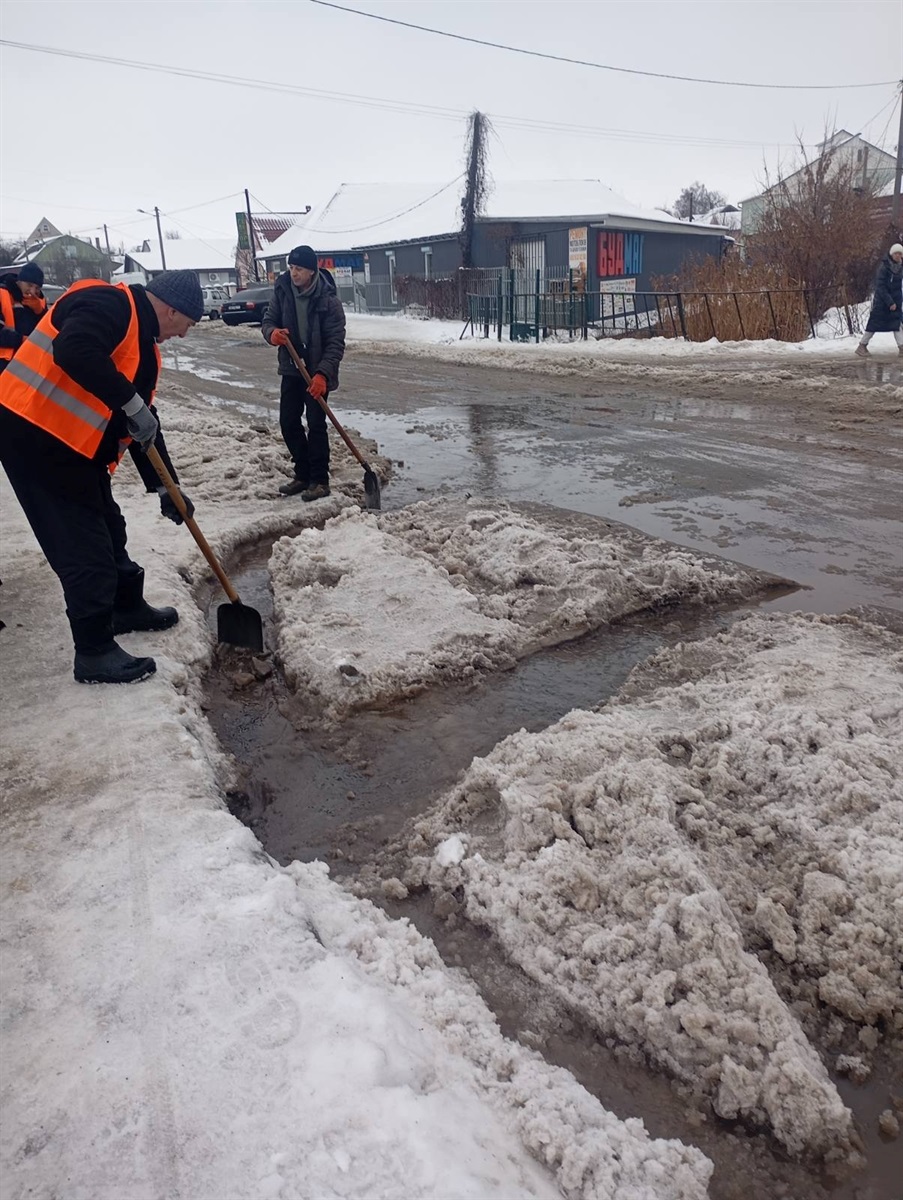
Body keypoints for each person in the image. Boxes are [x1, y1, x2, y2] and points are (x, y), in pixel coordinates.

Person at [0, 270, 203, 685]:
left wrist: (168, 486)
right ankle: (93, 652)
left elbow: (143, 424)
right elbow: (73, 349)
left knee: (110, 527)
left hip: (72, 445)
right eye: (187, 325)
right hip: (32, 433)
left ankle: (125, 607)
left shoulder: (144, 345)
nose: (183, 336)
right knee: (83, 545)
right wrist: (129, 400)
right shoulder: (107, 303)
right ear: (170, 309)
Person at [261, 245, 346, 500]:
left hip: (317, 371)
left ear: (311, 270)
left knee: (317, 424)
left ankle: (320, 480)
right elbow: (268, 321)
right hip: (292, 366)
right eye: (291, 268)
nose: (293, 273)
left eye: (298, 268)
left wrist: (323, 375)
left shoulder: (328, 299)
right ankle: (303, 473)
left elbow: (335, 343)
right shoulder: (283, 290)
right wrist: (272, 334)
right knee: (288, 421)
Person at [855, 242, 903, 357]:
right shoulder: (884, 267)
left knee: (897, 324)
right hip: (882, 302)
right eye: (896, 253)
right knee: (874, 324)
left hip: (895, 302)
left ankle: (901, 348)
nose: (898, 256)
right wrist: (889, 302)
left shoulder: (900, 267)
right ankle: (862, 345)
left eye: (900, 254)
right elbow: (880, 286)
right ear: (892, 254)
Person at [0, 262, 48, 375]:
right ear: (19, 282)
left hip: (29, 364)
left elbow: (48, 331)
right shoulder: (2, 294)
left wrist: (40, 312)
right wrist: (22, 340)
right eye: (29, 285)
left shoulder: (40, 301)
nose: (32, 291)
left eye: (37, 287)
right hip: (5, 363)